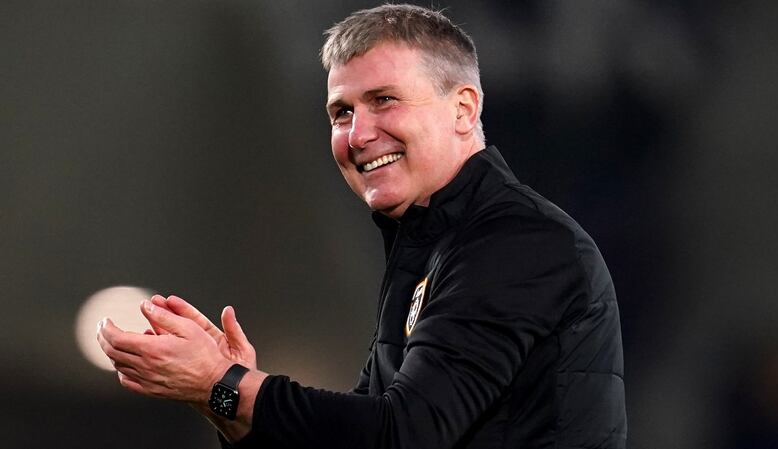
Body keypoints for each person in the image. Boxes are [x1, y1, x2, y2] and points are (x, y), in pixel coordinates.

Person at [97, 4, 627, 448]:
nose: (357, 135)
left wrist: (226, 383)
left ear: (463, 109)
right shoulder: (431, 245)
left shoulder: (514, 244)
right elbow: (367, 431)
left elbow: (403, 434)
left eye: (383, 100)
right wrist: (223, 400)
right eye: (340, 113)